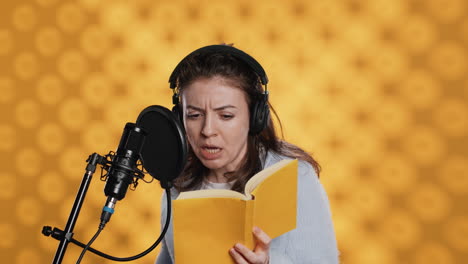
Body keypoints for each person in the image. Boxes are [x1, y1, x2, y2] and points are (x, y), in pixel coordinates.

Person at [156, 44, 339, 264]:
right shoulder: (177, 186)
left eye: (225, 116)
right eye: (194, 115)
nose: (207, 130)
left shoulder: (297, 178)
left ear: (254, 117)